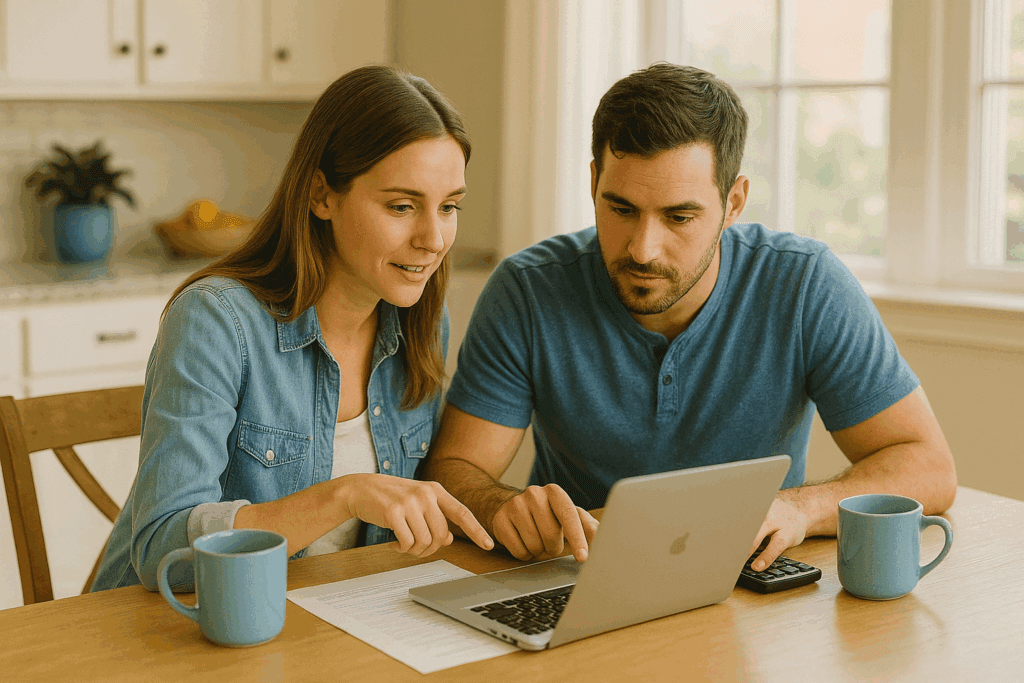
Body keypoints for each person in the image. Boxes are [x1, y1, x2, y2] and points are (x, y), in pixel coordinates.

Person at [422, 63, 957, 573]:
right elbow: (454, 472)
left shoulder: (804, 285)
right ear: (592, 184)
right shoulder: (528, 291)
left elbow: (929, 467)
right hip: (577, 580)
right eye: (621, 209)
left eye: (679, 216)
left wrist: (799, 510)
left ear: (734, 202)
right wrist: (500, 507)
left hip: (749, 582)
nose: (642, 248)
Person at [92, 65, 493, 593]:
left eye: (449, 207)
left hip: (325, 624)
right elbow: (162, 550)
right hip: (175, 634)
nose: (434, 238)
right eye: (402, 206)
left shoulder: (420, 318)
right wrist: (343, 495)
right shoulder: (217, 321)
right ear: (321, 194)